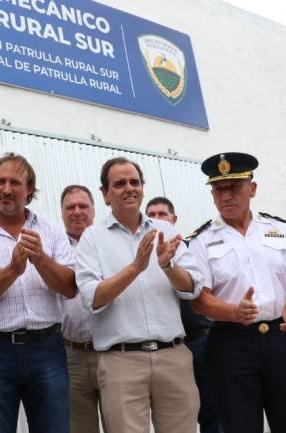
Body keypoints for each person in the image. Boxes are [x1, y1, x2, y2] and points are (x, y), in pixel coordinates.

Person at [188, 152, 286, 433]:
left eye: (233, 187)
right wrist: (232, 312)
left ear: (252, 189)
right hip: (231, 344)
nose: (226, 196)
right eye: (219, 190)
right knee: (240, 426)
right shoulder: (201, 241)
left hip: (281, 337)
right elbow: (200, 299)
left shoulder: (279, 229)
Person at [76, 157, 202, 433]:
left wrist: (168, 266)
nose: (129, 188)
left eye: (135, 182)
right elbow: (91, 298)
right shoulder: (92, 238)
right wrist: (135, 268)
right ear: (105, 195)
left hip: (173, 357)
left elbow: (193, 286)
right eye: (119, 184)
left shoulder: (166, 231)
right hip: (121, 362)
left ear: (143, 187)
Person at [0, 153, 76, 433]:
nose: (6, 189)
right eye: (0, 182)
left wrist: (41, 259)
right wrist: (12, 270)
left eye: (15, 182)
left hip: (47, 348)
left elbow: (69, 288)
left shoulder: (53, 232)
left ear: (30, 189)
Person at [146, 197, 223, 433]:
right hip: (165, 347)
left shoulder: (191, 249)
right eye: (152, 216)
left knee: (213, 411)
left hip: (199, 339)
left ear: (174, 219)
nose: (158, 220)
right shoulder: (143, 257)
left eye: (163, 214)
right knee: (177, 416)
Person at [60, 185, 106, 433]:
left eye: (83, 206)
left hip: (111, 352)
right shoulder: (54, 248)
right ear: (62, 213)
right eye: (70, 207)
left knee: (120, 425)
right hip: (72, 356)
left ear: (94, 209)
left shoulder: (108, 241)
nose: (77, 212)